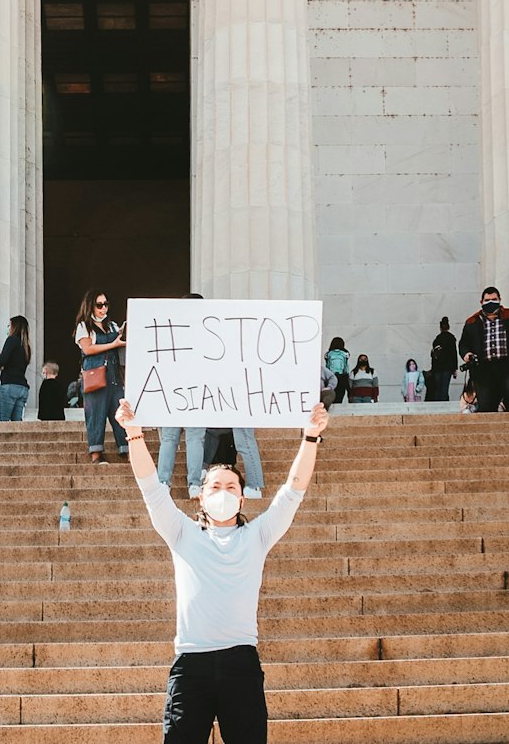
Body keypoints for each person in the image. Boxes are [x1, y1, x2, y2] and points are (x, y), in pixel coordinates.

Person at [115, 394, 329, 743]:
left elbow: (293, 491)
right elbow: (151, 488)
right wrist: (134, 434)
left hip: (240, 664)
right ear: (200, 495)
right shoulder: (181, 531)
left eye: (232, 486)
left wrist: (310, 437)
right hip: (190, 665)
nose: (224, 491)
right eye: (216, 486)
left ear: (242, 498)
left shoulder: (258, 535)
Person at [459, 286, 509, 414]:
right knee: (486, 408)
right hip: (484, 370)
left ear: (500, 300)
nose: (490, 302)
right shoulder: (472, 321)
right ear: (481, 302)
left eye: (494, 299)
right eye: (487, 300)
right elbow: (463, 344)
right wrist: (466, 354)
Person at [159, 293, 207, 499]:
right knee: (195, 438)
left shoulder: (173, 330)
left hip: (173, 389)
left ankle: (163, 482)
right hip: (196, 389)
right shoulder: (207, 332)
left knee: (169, 438)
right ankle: (194, 484)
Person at [74, 289, 128, 464]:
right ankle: (96, 453)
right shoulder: (83, 326)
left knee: (120, 412)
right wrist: (113, 344)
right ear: (90, 306)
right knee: (96, 413)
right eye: (99, 305)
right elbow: (88, 349)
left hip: (114, 375)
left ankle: (126, 449)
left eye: (106, 304)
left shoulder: (112, 325)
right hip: (95, 374)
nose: (103, 308)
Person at [0, 316, 31, 421]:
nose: (8, 328)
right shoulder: (26, 347)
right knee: (16, 423)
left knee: (3, 421)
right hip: (22, 387)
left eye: (9, 326)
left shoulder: (11, 340)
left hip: (9, 385)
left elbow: (3, 360)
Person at [425, 316, 459, 402]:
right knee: (444, 389)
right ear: (448, 327)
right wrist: (455, 369)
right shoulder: (451, 338)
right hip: (447, 368)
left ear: (440, 328)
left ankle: (437, 408)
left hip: (437, 368)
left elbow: (433, 355)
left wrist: (432, 369)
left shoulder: (437, 339)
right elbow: (453, 354)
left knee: (437, 389)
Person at [324, 337, 350, 404]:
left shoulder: (328, 354)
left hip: (331, 376)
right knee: (340, 395)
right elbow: (346, 366)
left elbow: (327, 365)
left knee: (331, 394)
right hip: (342, 377)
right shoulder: (345, 353)